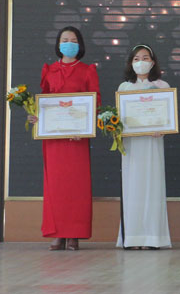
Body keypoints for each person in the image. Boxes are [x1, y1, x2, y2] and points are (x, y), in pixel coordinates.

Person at [35, 26, 100, 251]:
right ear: (58, 44)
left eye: (73, 40)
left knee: (76, 186)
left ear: (79, 45)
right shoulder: (49, 70)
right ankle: (57, 234)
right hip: (54, 139)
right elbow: (44, 101)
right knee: (55, 186)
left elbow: (95, 101)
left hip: (77, 138)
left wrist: (83, 126)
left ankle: (74, 234)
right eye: (65, 39)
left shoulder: (87, 70)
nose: (69, 43)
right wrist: (35, 116)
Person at [116, 44, 172, 250]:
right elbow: (120, 118)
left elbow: (168, 116)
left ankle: (152, 238)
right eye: (136, 58)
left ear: (153, 62)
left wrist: (163, 128)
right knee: (132, 187)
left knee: (153, 185)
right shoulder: (124, 88)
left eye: (145, 58)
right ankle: (133, 237)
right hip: (132, 145)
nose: (141, 62)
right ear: (131, 63)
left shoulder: (162, 86)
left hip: (152, 142)